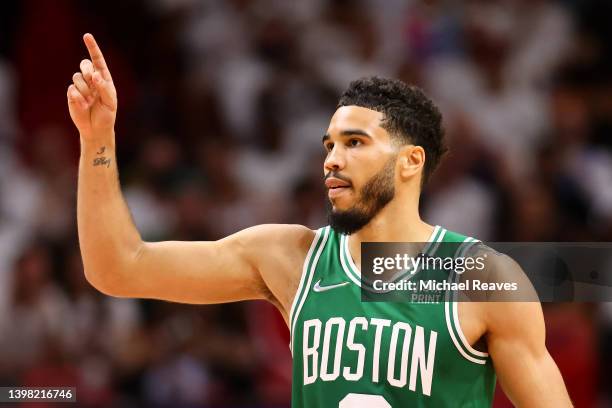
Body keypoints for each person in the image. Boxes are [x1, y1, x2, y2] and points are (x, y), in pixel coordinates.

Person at [67, 33, 572, 407]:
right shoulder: (291, 257)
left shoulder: (482, 277)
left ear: (411, 161)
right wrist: (97, 140)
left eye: (355, 143)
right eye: (329, 145)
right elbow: (117, 267)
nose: (332, 159)